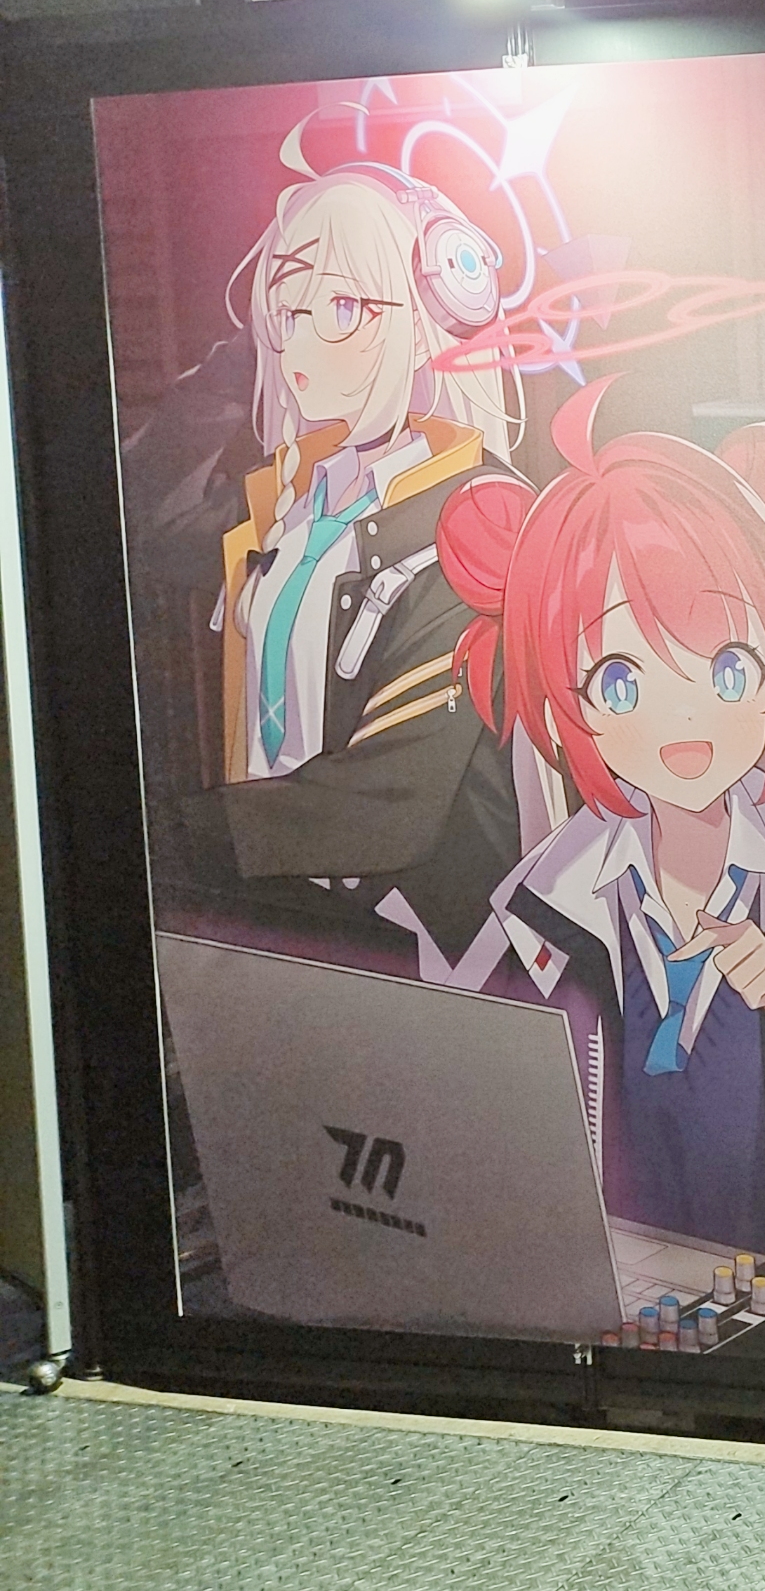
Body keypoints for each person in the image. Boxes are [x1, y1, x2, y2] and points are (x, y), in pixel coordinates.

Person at [441, 377, 765, 1256]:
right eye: (621, 681)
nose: (684, 715)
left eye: (726, 668)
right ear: (566, 702)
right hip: (620, 1299)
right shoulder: (543, 906)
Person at [186, 161, 527, 980]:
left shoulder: (480, 518)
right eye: (288, 312)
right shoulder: (288, 500)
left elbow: (391, 801)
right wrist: (229, 368)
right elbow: (146, 519)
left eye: (343, 309)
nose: (300, 347)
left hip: (420, 951)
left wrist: (173, 836)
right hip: (274, 910)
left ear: (428, 323)